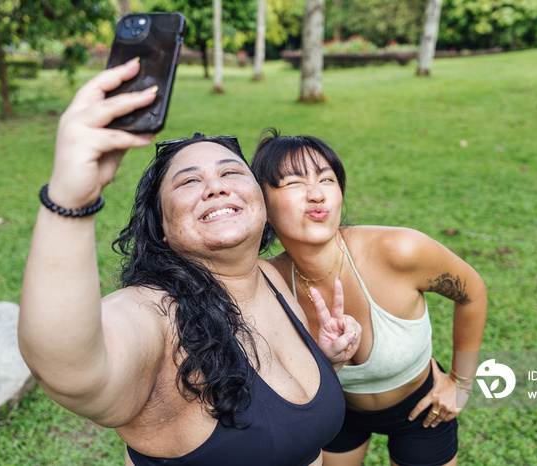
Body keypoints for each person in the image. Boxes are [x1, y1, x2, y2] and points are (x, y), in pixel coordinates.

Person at [18, 60, 361, 466]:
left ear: (260, 201)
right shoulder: (157, 313)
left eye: (231, 172)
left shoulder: (270, 275)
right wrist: (69, 200)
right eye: (189, 181)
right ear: (162, 227)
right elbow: (70, 368)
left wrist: (326, 360)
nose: (215, 187)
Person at [250, 129, 488, 466]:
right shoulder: (267, 283)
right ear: (263, 207)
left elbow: (472, 292)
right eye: (293, 183)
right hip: (336, 412)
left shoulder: (399, 251)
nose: (316, 194)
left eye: (327, 179)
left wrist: (461, 385)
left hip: (422, 409)